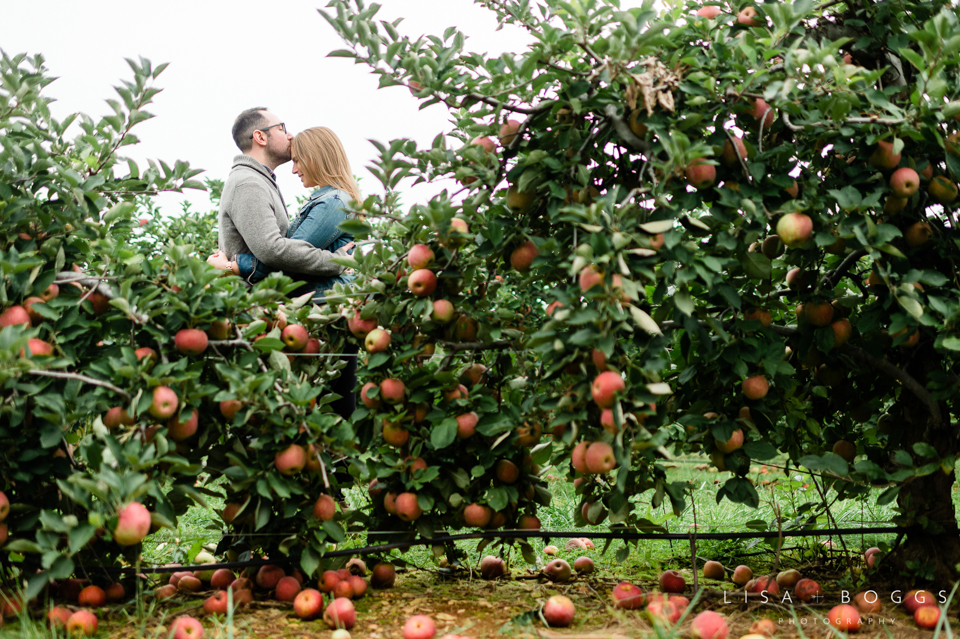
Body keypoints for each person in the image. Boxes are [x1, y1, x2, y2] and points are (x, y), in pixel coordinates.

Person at [208, 108, 352, 284]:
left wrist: (231, 266)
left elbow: (283, 252)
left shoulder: (260, 181)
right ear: (260, 137)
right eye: (282, 128)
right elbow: (275, 252)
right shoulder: (248, 182)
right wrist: (336, 262)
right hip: (253, 304)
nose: (290, 135)